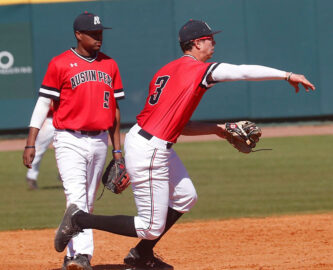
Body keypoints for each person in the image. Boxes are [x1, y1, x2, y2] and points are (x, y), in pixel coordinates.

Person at [53, 19, 315, 270]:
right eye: (209, 39)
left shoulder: (167, 70)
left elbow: (179, 125)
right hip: (150, 148)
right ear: (197, 43)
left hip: (147, 139)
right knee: (149, 226)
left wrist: (219, 130)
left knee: (185, 196)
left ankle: (141, 254)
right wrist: (287, 75)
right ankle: (78, 219)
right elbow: (241, 71)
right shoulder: (199, 70)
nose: (213, 44)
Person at [22, 12, 125, 270]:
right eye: (93, 33)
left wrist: (118, 151)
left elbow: (114, 110)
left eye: (101, 33)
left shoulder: (110, 64)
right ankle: (83, 255)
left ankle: (72, 256)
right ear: (78, 34)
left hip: (100, 140)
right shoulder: (60, 63)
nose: (99, 37)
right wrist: (30, 142)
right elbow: (43, 103)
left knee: (87, 201)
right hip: (69, 139)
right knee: (76, 196)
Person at [25, 104, 55, 190]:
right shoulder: (51, 90)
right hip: (49, 120)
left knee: (69, 149)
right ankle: (31, 176)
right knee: (38, 150)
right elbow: (49, 104)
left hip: (65, 120)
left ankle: (64, 175)